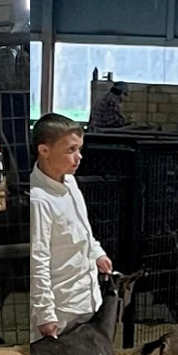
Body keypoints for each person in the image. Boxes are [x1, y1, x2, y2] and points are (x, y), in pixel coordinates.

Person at [30, 113, 112, 341]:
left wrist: (97, 253)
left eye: (79, 149)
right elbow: (38, 260)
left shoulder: (71, 183)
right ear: (44, 150)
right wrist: (45, 313)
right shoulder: (39, 200)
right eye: (71, 150)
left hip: (86, 299)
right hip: (60, 309)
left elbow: (84, 230)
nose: (79, 157)